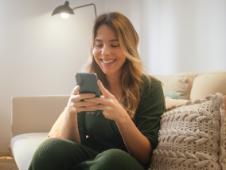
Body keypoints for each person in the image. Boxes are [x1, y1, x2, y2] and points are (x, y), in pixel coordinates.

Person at [29, 12, 165, 170]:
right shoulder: (90, 85)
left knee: (111, 158)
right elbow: (70, 143)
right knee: (49, 149)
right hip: (91, 158)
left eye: (114, 45)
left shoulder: (150, 87)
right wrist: (71, 113)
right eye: (98, 44)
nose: (105, 52)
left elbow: (145, 155)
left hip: (123, 163)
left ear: (129, 47)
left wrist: (122, 117)